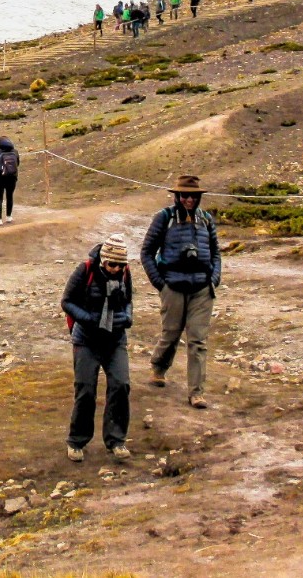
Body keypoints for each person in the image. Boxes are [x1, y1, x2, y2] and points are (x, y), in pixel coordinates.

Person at [141, 174, 221, 409]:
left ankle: (196, 392)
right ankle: (158, 366)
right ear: (177, 196)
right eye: (184, 195)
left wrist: (213, 280)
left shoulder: (206, 220)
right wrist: (160, 284)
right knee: (171, 334)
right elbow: (146, 252)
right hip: (173, 285)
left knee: (198, 340)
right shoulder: (163, 218)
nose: (188, 200)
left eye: (193, 196)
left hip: (202, 288)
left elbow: (216, 252)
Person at [62, 234, 134, 462]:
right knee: (86, 390)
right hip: (86, 339)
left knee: (120, 385)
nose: (115, 269)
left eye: (120, 265)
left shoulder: (126, 274)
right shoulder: (85, 270)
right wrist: (88, 318)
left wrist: (127, 317)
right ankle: (76, 441)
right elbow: (67, 301)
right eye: (112, 264)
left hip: (115, 339)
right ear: (103, 260)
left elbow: (129, 300)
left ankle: (116, 440)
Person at [0, 135, 20, 224]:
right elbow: (17, 163)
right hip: (12, 177)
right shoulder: (15, 151)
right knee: (10, 196)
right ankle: (9, 217)